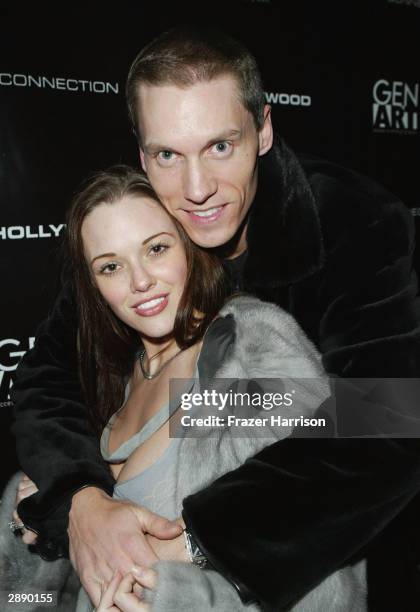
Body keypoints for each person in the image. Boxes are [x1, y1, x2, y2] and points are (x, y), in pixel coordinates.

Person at [11, 26, 420, 611]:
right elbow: (47, 375)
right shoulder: (143, 219)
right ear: (142, 154)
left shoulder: (352, 220)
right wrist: (80, 500)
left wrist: (193, 536)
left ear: (264, 129)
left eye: (220, 146)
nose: (197, 189)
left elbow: (387, 417)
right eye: (168, 155)